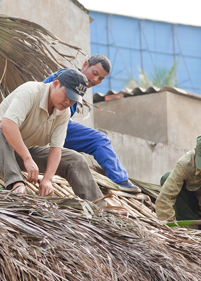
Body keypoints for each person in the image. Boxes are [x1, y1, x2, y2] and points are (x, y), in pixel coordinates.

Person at [0, 69, 104, 202]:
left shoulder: (64, 113)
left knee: (75, 159)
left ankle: (100, 205)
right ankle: (16, 183)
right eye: (67, 95)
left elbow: (56, 148)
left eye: (73, 100)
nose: (68, 102)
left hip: (20, 153)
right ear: (55, 84)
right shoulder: (30, 92)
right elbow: (8, 125)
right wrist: (27, 158)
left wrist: (48, 179)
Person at [43, 55, 141, 193]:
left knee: (99, 139)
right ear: (85, 65)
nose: (95, 80)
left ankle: (120, 180)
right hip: (42, 126)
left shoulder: (81, 88)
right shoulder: (64, 77)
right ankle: (120, 179)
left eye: (101, 78)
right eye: (95, 73)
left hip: (60, 127)